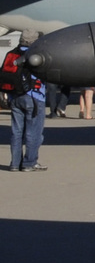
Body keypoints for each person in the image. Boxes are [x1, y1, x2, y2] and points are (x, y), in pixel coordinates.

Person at [3, 39, 49, 172]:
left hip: (15, 97)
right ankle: (29, 162)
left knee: (16, 132)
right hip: (34, 97)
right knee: (33, 133)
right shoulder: (37, 55)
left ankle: (15, 163)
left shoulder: (12, 54)